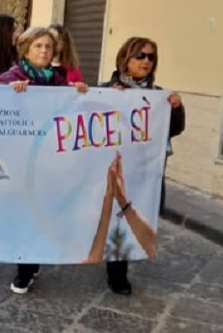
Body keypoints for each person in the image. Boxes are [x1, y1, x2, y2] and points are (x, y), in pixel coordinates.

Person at [0, 27, 88, 295]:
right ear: (26, 50)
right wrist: (10, 95)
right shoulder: (9, 79)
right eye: (38, 46)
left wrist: (79, 93)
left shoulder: (60, 81)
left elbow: (73, 113)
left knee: (43, 211)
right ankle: (25, 268)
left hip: (50, 160)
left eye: (48, 47)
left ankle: (31, 260)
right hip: (20, 159)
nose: (44, 51)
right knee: (26, 213)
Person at [97, 36, 185, 295]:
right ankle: (109, 266)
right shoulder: (105, 90)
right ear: (126, 58)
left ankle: (118, 269)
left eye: (151, 57)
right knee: (111, 216)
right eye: (141, 56)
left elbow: (175, 129)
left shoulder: (158, 97)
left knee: (128, 218)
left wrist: (177, 109)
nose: (147, 61)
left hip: (143, 172)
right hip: (111, 169)